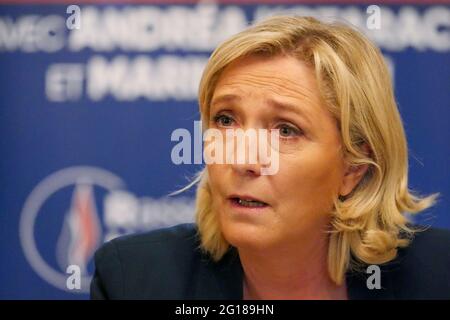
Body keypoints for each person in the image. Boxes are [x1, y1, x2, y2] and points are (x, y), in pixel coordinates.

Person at [90, 15, 450, 299]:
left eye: (286, 130)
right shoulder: (134, 280)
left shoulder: (438, 277)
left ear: (353, 169)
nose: (242, 159)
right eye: (226, 120)